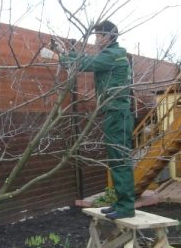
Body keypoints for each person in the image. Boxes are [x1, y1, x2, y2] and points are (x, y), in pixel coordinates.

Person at [51, 21, 135, 219]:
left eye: (98, 35)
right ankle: (120, 202)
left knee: (120, 160)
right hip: (113, 113)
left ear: (108, 36)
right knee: (115, 160)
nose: (96, 39)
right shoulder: (111, 54)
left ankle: (126, 207)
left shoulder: (114, 55)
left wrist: (58, 57)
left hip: (118, 114)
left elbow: (86, 64)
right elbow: (88, 59)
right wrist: (64, 52)